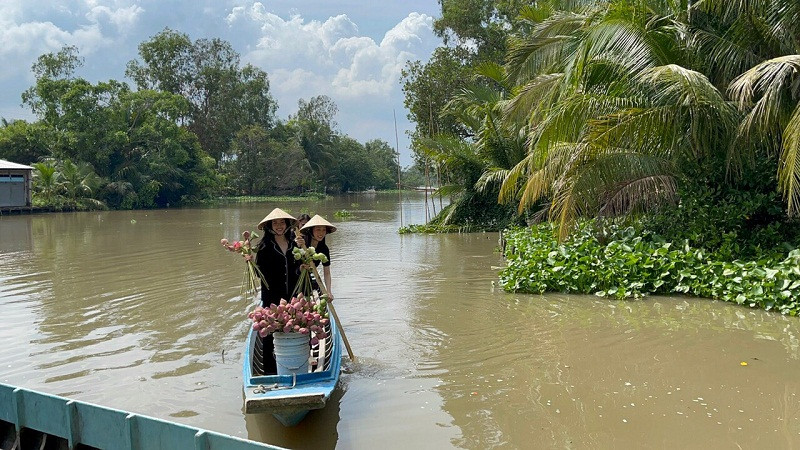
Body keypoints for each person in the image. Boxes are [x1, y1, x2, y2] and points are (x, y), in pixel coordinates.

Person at [255, 207, 300, 374]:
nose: (279, 226)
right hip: (272, 296)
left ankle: (295, 363)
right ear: (270, 226)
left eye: (282, 222)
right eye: (276, 223)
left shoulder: (294, 244)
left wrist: (301, 267)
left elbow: (297, 269)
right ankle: (270, 370)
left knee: (294, 328)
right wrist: (249, 262)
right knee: (270, 331)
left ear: (287, 224)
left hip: (292, 294)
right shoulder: (264, 246)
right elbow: (259, 273)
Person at [295, 214, 336, 301]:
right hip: (294, 277)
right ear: (311, 230)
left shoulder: (324, 249)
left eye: (323, 230)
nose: (321, 233)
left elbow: (327, 272)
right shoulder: (301, 243)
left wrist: (328, 291)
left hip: (308, 278)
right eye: (318, 229)